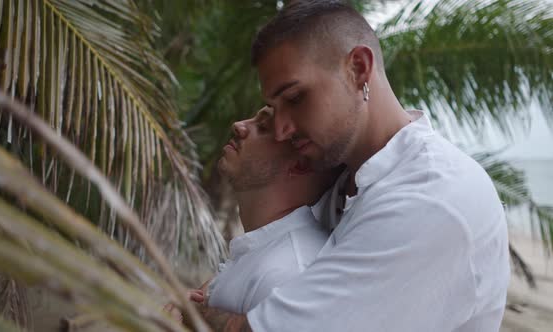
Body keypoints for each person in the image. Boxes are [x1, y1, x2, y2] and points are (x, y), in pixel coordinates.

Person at [204, 1, 511, 331]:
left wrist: (202, 311)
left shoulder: (431, 198)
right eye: (272, 107)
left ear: (359, 68)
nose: (281, 129)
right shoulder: (348, 177)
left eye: (294, 98)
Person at [166, 106, 338, 320]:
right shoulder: (264, 253)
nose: (238, 126)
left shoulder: (285, 273)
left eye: (263, 127)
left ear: (300, 165)